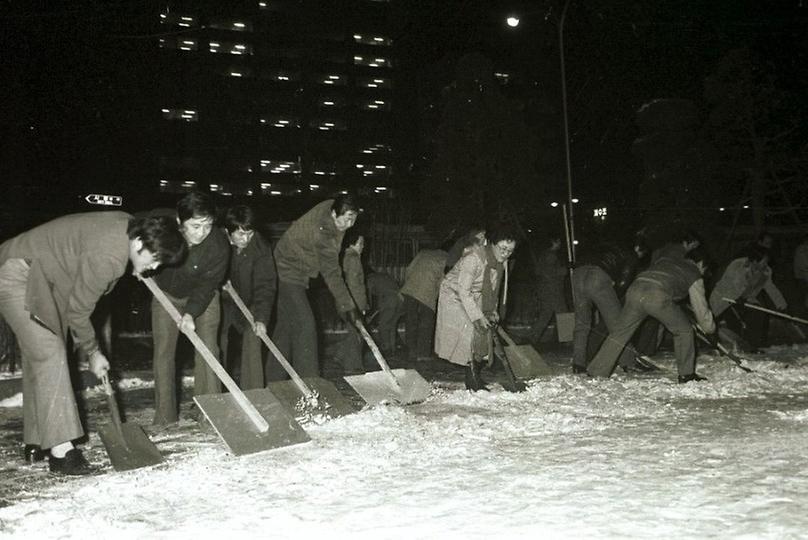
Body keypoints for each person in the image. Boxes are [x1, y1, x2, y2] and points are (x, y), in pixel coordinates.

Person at [0, 212, 185, 474]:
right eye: (155, 259)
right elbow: (79, 311)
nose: (155, 267)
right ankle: (61, 452)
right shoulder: (110, 255)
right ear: (138, 244)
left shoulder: (127, 229)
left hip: (44, 278)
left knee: (40, 355)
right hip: (18, 274)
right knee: (50, 353)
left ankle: (37, 440)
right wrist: (94, 351)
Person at [150, 192, 229, 425]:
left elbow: (207, 286)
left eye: (208, 225)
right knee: (164, 351)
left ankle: (209, 412)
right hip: (165, 295)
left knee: (208, 348)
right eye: (195, 226)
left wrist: (191, 313)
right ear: (179, 222)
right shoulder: (163, 232)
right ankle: (165, 417)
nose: (202, 232)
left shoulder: (218, 245)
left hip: (203, 298)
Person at [587, 247, 716, 383]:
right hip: (656, 295)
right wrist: (710, 329)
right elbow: (701, 309)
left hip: (635, 290)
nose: (703, 273)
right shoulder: (694, 273)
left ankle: (597, 371)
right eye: (704, 270)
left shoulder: (667, 261)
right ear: (701, 263)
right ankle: (686, 374)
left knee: (619, 333)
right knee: (684, 331)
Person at [271, 195, 361, 380]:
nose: (348, 224)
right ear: (334, 213)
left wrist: (346, 306)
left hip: (295, 268)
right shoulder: (325, 233)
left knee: (286, 329)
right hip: (287, 270)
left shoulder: (332, 208)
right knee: (306, 325)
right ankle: (311, 383)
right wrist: (348, 306)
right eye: (345, 219)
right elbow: (332, 273)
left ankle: (273, 380)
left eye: (353, 218)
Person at [435, 225, 518, 391]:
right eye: (502, 248)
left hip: (475, 295)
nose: (506, 254)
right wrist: (478, 316)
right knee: (470, 331)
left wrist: (492, 311)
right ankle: (471, 380)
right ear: (492, 244)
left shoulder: (502, 263)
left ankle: (475, 374)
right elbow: (463, 291)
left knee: (483, 334)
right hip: (454, 293)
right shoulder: (473, 259)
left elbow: (494, 290)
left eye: (510, 250)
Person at [219, 205, 277, 389]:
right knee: (218, 339)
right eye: (240, 234)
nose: (246, 239)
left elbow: (265, 286)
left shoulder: (260, 246)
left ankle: (254, 392)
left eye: (249, 233)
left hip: (250, 300)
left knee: (254, 336)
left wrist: (261, 318)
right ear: (228, 232)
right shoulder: (217, 240)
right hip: (220, 299)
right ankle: (216, 393)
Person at [571, 239, 647, 374]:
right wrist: (613, 298)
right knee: (618, 325)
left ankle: (578, 363)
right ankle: (628, 362)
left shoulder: (608, 245)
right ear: (638, 249)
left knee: (581, 323)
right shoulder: (631, 254)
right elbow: (624, 282)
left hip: (578, 273)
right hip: (598, 276)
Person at [710, 246, 787, 351]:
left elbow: (771, 288)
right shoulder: (737, 265)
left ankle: (754, 345)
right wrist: (740, 298)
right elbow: (734, 285)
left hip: (745, 299)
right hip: (725, 299)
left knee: (759, 314)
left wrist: (781, 305)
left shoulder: (765, 271)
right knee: (733, 321)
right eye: (763, 262)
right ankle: (735, 347)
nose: (766, 265)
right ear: (754, 261)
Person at [400, 248, 448, 363]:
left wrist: (409, 283)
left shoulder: (423, 253)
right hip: (427, 292)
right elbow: (443, 280)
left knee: (411, 320)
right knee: (426, 323)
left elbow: (409, 269)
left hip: (410, 288)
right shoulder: (446, 257)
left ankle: (411, 352)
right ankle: (422, 354)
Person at [333, 228, 368, 374]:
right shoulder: (354, 259)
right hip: (352, 302)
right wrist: (360, 306)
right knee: (355, 334)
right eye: (360, 243)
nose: (362, 246)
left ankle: (340, 355)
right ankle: (352, 367)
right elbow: (355, 285)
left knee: (353, 333)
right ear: (352, 244)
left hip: (343, 301)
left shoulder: (345, 258)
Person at [529, 237, 569, 345]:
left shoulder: (543, 255)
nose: (560, 243)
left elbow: (539, 271)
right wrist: (564, 270)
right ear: (554, 242)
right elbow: (549, 272)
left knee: (546, 314)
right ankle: (567, 340)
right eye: (559, 241)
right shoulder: (551, 255)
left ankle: (533, 337)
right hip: (553, 289)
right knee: (562, 313)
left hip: (545, 289)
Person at [366, 270, 404, 355]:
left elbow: (369, 298)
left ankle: (386, 349)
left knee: (383, 325)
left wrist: (369, 313)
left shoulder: (370, 279)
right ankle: (392, 349)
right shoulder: (384, 276)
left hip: (389, 299)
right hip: (400, 300)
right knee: (392, 325)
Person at [793, 234, 808, 318]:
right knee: (803, 296)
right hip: (802, 277)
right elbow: (805, 265)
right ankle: (802, 314)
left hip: (804, 276)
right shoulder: (801, 250)